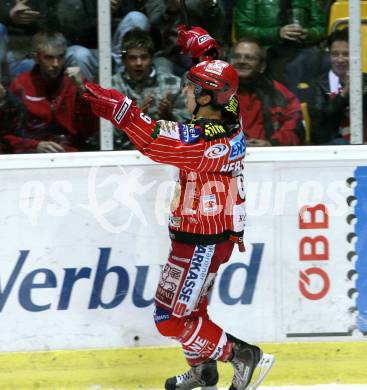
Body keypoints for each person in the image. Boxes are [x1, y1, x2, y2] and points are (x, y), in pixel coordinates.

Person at [83, 32, 275, 388]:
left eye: (192, 89)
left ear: (206, 97)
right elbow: (224, 79)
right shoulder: (228, 109)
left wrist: (120, 110)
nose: (185, 93)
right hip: (203, 236)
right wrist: (205, 50)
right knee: (191, 311)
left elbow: (155, 140)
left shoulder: (206, 142)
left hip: (203, 240)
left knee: (168, 318)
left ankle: (243, 355)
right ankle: (203, 371)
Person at [3, 30, 99, 153]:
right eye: (49, 57)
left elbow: (91, 131)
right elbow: (7, 135)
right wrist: (34, 146)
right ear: (36, 57)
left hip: (72, 154)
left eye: (60, 57)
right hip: (32, 156)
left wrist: (82, 91)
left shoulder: (75, 84)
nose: (56, 64)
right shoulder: (20, 85)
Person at [233, 0, 328, 94]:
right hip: (267, 49)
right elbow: (242, 30)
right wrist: (277, 33)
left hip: (302, 49)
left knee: (323, 60)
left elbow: (321, 27)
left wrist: (308, 33)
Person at [231, 38, 304, 146]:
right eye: (237, 57)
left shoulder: (280, 93)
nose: (241, 61)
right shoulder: (215, 92)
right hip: (225, 157)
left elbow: (295, 129)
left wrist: (271, 144)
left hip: (270, 157)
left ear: (262, 66)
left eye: (249, 58)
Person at [308, 28, 367, 145]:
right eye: (335, 54)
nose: (340, 60)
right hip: (334, 146)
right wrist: (344, 92)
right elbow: (320, 125)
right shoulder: (319, 85)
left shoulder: (365, 80)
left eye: (346, 54)